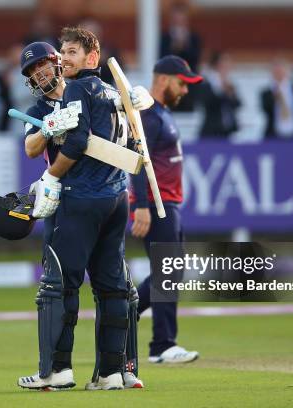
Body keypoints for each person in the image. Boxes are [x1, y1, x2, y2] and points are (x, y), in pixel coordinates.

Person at [18, 27, 153, 391]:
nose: (42, 75)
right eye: (34, 74)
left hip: (83, 197)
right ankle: (111, 372)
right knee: (108, 286)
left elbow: (114, 146)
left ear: (58, 64)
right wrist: (49, 126)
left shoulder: (84, 89)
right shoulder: (44, 107)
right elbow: (31, 147)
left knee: (65, 285)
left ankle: (82, 370)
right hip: (84, 199)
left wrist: (140, 100)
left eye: (45, 66)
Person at [130, 55, 201, 364]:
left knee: (168, 272)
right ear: (163, 79)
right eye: (181, 83)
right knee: (168, 271)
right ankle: (162, 345)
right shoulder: (148, 115)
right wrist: (142, 207)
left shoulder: (163, 114)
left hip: (169, 202)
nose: (185, 90)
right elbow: (136, 160)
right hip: (157, 203)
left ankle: (120, 316)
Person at [159, 5, 202, 112]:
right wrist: (174, 47)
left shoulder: (193, 37)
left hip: (189, 86)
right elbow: (162, 58)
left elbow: (195, 59)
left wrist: (184, 46)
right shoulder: (165, 37)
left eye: (181, 20)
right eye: (176, 20)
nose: (179, 22)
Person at [260, 58, 293, 140]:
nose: (279, 73)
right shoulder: (267, 92)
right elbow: (265, 110)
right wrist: (276, 97)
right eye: (276, 71)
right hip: (274, 136)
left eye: (281, 70)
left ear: (287, 71)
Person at [199, 51, 241, 139]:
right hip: (211, 132)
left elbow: (237, 104)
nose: (227, 67)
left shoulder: (230, 84)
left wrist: (230, 94)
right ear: (217, 65)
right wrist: (222, 91)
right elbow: (207, 103)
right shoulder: (208, 83)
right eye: (224, 64)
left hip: (227, 131)